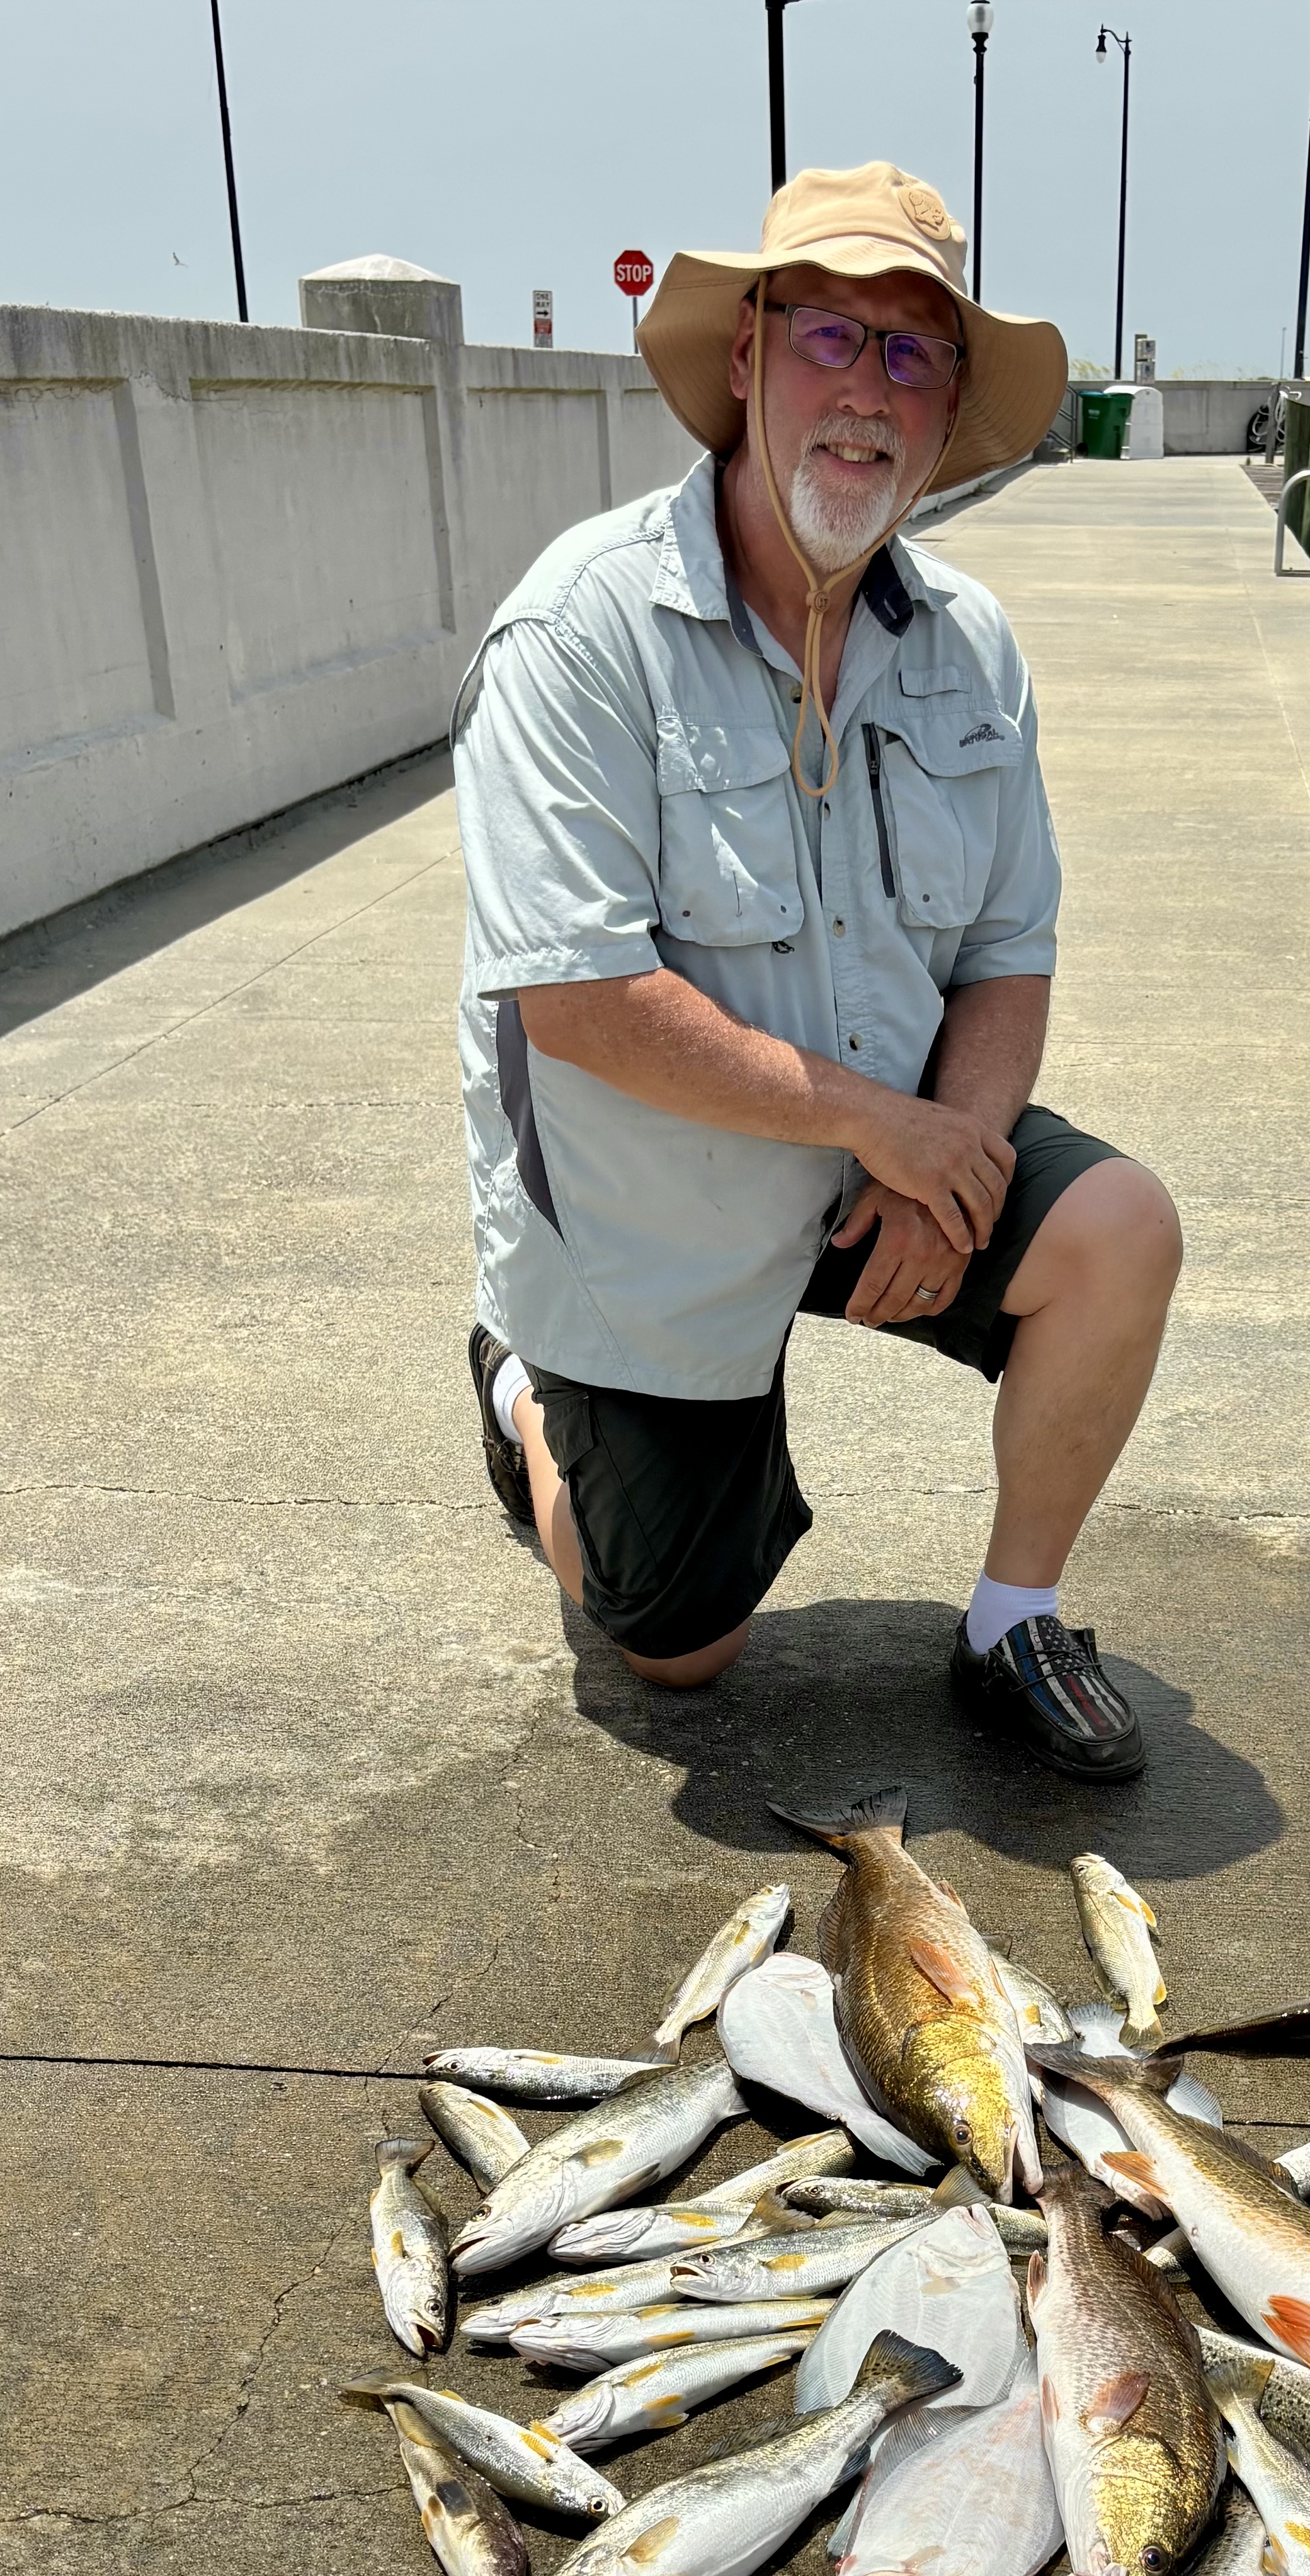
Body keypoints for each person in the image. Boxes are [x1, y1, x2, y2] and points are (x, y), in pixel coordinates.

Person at [452, 161, 1182, 1784]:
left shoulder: (974, 645)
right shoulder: (578, 632)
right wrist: (885, 1128)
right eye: (831, 336)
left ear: (945, 417)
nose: (867, 389)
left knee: (1119, 1231)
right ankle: (523, 1394)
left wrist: (952, 1159)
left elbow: (1006, 952)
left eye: (913, 355)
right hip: (652, 1194)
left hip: (879, 1164)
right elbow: (576, 1001)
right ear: (744, 360)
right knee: (679, 1650)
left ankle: (1014, 1618)